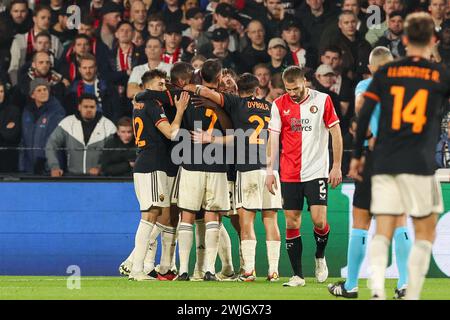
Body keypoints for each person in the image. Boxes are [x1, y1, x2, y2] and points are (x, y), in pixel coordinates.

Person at [349, 12, 449, 300]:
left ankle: (376, 288)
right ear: (433, 40)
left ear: (403, 40)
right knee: (420, 229)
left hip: (384, 159)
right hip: (420, 161)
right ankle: (409, 289)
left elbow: (363, 111)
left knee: (383, 225)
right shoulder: (439, 74)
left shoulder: (387, 75)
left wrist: (358, 153)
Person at [328, 47, 412, 300]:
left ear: (372, 68)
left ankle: (351, 285)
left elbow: (363, 111)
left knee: (362, 222)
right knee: (399, 221)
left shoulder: (365, 85)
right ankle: (405, 284)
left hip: (375, 158)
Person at [190, 73, 283, 282]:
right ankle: (273, 271)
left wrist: (190, 86)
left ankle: (248, 271)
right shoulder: (271, 107)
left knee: (245, 221)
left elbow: (238, 136)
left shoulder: (236, 103)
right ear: (258, 90)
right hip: (271, 169)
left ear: (238, 90)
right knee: (270, 219)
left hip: (246, 168)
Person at [265, 66, 343, 287]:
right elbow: (273, 139)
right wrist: (270, 171)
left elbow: (335, 132)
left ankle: (320, 256)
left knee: (319, 220)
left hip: (317, 171)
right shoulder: (279, 105)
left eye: (296, 88)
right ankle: (298, 275)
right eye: (288, 89)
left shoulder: (323, 100)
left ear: (305, 82)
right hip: (289, 173)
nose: (292, 93)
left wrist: (336, 166)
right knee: (292, 221)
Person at [128, 69, 189, 281]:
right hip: (152, 164)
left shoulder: (141, 104)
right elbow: (171, 133)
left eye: (165, 84)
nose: (164, 89)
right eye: (160, 85)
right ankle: (136, 269)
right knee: (149, 217)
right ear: (149, 87)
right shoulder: (153, 105)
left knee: (151, 215)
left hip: (145, 162)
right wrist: (180, 110)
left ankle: (137, 266)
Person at [46, 93, 116, 177]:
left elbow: (113, 152)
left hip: (99, 178)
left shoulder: (108, 126)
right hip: (72, 177)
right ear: (79, 107)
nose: (89, 110)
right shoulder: (67, 123)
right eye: (85, 107)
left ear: (96, 108)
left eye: (92, 107)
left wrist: (100, 168)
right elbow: (51, 144)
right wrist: (54, 167)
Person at [8, 5, 63, 86]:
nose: (46, 21)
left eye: (49, 18)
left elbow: (59, 66)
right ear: (34, 19)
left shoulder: (55, 41)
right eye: (43, 18)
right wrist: (18, 88)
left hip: (50, 85)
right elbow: (13, 69)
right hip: (24, 84)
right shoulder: (19, 40)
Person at [19, 78, 65, 174]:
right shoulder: (27, 112)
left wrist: (53, 166)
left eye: (45, 89)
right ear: (32, 95)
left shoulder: (57, 112)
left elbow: (55, 142)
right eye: (39, 90)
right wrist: (22, 166)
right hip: (29, 168)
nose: (43, 92)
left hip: (49, 169)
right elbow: (23, 141)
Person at [65, 54, 120, 121]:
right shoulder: (72, 90)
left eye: (91, 67)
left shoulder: (108, 87)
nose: (88, 71)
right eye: (84, 68)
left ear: (96, 68)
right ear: (79, 69)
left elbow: (116, 111)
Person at [0, 81, 21, 173]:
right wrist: (3, 129)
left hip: (8, 162)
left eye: (1, 91)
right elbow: (5, 134)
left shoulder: (14, 110)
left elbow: (11, 135)